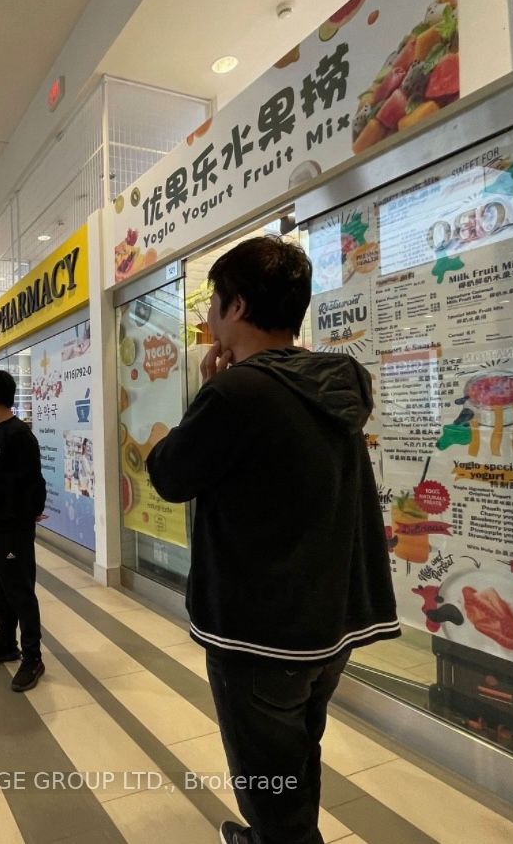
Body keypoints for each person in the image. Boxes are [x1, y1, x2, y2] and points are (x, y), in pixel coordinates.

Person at [144, 237, 399, 844]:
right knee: (298, 751)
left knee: (268, 783)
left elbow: (170, 475)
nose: (208, 318)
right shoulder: (336, 381)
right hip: (327, 624)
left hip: (260, 633)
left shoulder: (237, 393)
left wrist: (198, 403)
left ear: (236, 306)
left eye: (213, 302)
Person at [0, 370, 47, 693]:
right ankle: (5, 643)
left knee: (20, 592)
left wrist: (22, 519)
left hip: (12, 532)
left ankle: (33, 657)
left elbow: (35, 484)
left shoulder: (18, 435)